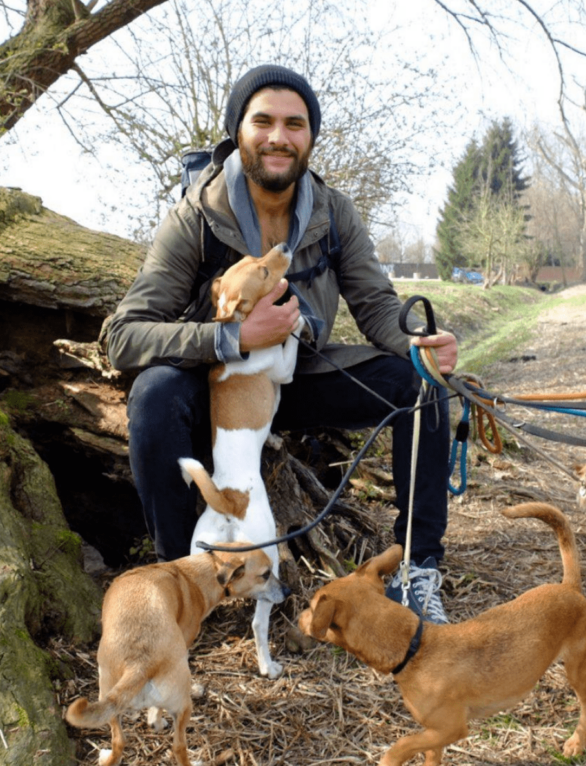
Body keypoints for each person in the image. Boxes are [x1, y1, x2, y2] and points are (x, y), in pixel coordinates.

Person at [104, 64, 458, 623]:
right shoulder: (197, 213)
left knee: (420, 385)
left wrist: (420, 342)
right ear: (238, 131)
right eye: (262, 121)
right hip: (216, 386)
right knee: (154, 395)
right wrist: (233, 337)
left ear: (310, 137)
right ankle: (180, 581)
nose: (278, 137)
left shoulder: (334, 212)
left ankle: (419, 569)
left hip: (301, 377)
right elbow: (122, 335)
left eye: (295, 124)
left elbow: (377, 307)